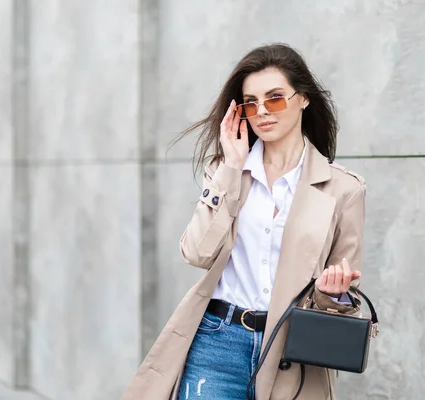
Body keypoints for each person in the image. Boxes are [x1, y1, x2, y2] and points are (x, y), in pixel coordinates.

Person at [121, 43, 366, 400]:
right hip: (216, 343)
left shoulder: (344, 189)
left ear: (303, 99)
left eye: (275, 98)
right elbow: (197, 253)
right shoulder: (226, 172)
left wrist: (332, 292)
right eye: (251, 103)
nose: (262, 111)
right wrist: (232, 169)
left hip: (292, 354)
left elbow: (346, 295)